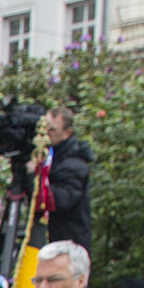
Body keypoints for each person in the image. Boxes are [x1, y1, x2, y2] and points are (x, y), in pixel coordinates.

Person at [41, 106, 93, 249]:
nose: (46, 133)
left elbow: (61, 200)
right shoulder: (51, 156)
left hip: (69, 247)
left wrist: (35, 180)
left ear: (67, 133)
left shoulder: (74, 163)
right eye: (44, 128)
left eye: (52, 130)